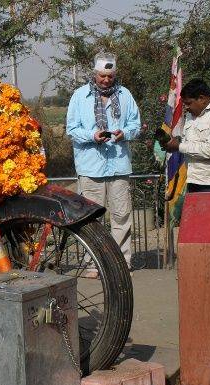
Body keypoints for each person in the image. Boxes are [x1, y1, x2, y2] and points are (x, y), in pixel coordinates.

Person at [66, 52, 141, 271]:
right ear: (95, 74)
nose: (106, 80)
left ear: (115, 74)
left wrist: (123, 133)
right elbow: (71, 129)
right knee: (90, 220)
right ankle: (93, 265)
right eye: (102, 76)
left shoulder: (125, 95)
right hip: (91, 168)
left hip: (118, 166)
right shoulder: (79, 96)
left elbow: (136, 125)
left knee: (121, 216)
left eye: (110, 76)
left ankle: (120, 264)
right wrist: (92, 136)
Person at [161, 78, 210, 192]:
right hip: (194, 180)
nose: (186, 107)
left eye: (188, 103)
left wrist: (179, 146)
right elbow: (191, 144)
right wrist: (173, 143)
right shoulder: (192, 115)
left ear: (201, 98)